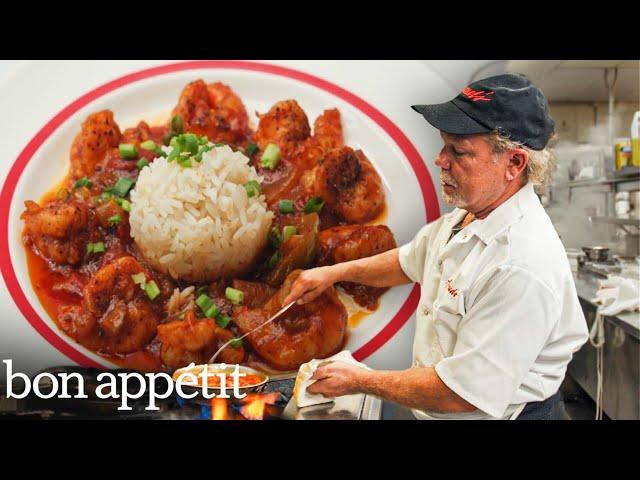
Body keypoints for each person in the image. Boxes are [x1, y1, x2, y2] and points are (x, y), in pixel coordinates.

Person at [282, 73, 589, 420]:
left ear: (514, 163)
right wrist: (332, 274)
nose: (440, 160)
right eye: (444, 145)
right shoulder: (470, 214)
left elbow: (460, 393)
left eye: (458, 151)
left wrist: (361, 381)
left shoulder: (520, 264)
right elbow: (408, 261)